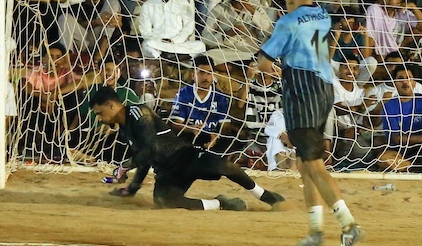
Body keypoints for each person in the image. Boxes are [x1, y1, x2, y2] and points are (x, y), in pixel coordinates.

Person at [250, 0, 361, 246]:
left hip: (302, 92)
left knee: (313, 163)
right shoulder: (322, 14)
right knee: (303, 160)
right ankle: (315, 229)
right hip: (324, 89)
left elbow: (263, 63)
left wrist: (267, 60)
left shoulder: (287, 22)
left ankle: (348, 224)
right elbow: (300, 5)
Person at [94, 84, 285, 211]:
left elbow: (150, 149)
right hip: (167, 171)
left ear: (111, 105)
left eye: (99, 113)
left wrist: (124, 167)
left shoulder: (139, 112)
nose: (100, 119)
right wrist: (132, 188)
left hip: (185, 157)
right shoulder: (124, 129)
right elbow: (144, 159)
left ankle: (266, 196)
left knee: (224, 166)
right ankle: (220, 204)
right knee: (164, 201)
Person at [377, 65, 422, 174]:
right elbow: (396, 138)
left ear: (414, 83)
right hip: (402, 150)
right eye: (400, 78)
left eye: (408, 78)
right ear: (394, 83)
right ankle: (420, 166)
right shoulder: (389, 106)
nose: (405, 82)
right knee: (383, 159)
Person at [167, 56, 236, 153]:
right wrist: (191, 128)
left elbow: (225, 127)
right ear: (193, 75)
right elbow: (175, 125)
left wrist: (216, 138)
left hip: (213, 141)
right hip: (189, 139)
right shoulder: (183, 94)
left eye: (209, 73)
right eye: (201, 73)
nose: (205, 77)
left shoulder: (220, 97)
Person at [136, 0, 207, 60]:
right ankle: (175, 58)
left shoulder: (182, 2)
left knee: (200, 45)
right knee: (147, 45)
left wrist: (175, 40)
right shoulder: (148, 5)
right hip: (158, 43)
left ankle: (165, 58)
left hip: (178, 43)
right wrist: (160, 40)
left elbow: (188, 26)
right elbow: (145, 31)